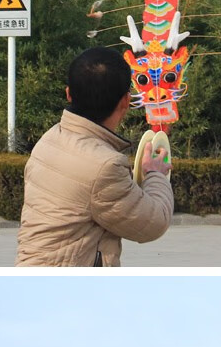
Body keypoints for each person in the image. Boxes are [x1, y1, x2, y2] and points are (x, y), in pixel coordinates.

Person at [16, 47, 173, 266]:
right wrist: (155, 174)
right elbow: (153, 222)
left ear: (69, 93)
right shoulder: (105, 166)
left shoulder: (49, 140)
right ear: (126, 101)